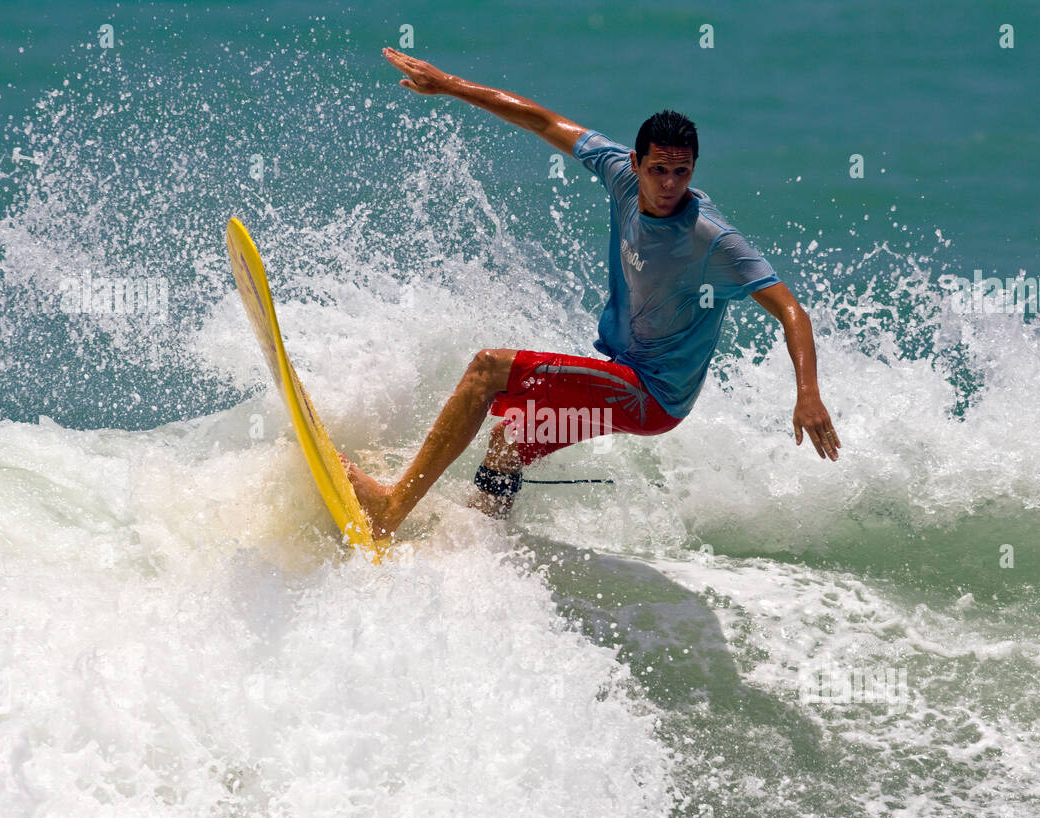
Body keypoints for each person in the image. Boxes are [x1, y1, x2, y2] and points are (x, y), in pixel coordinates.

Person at [342, 47, 840, 539]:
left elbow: (789, 308)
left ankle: (391, 508)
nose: (669, 184)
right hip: (630, 376)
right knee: (510, 439)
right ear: (634, 163)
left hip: (651, 394)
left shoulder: (711, 239)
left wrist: (808, 394)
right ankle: (482, 539)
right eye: (658, 170)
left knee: (486, 369)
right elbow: (542, 121)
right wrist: (449, 84)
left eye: (682, 172)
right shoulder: (618, 175)